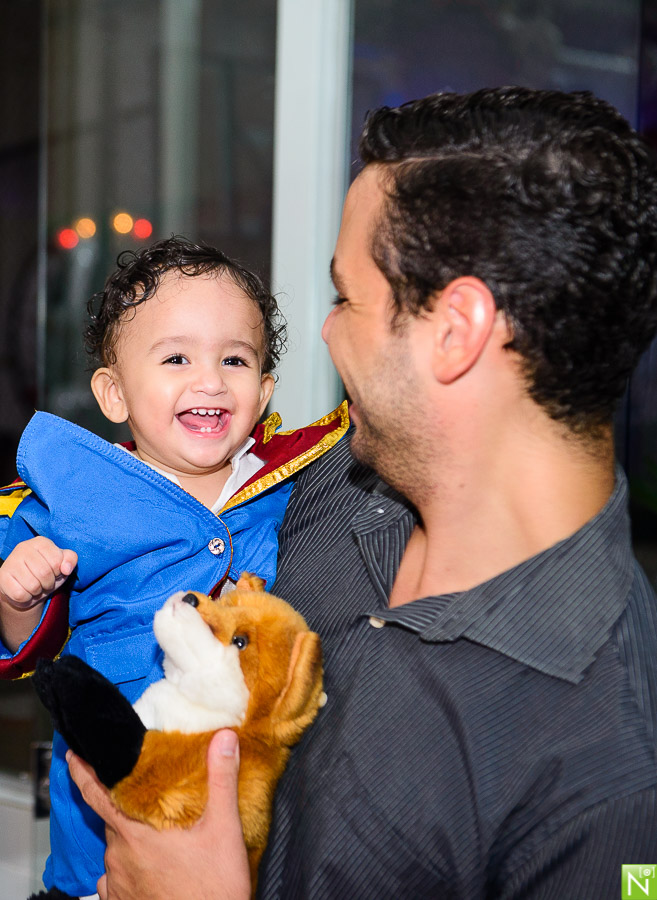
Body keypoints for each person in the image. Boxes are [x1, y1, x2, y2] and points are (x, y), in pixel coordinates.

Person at [59, 86, 657, 898]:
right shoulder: (315, 487)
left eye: (346, 297)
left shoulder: (613, 771)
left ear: (456, 331)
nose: (327, 331)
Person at [0, 236, 348, 899]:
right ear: (114, 392)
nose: (210, 379)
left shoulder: (287, 485)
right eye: (177, 357)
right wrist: (17, 594)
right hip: (108, 836)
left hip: (247, 828)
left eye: (235, 358)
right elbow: (25, 647)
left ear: (265, 388)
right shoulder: (76, 499)